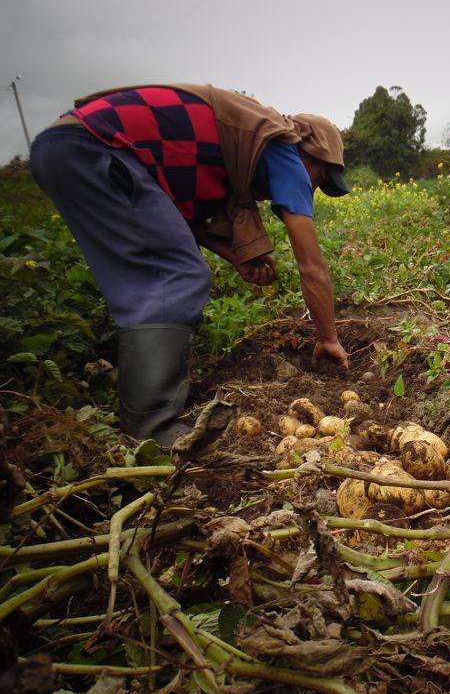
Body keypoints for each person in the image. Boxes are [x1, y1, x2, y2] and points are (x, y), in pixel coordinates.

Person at [30, 84, 350, 446]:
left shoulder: (235, 150)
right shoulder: (282, 144)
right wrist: (327, 338)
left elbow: (182, 224)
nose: (310, 189)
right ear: (305, 153)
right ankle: (151, 431)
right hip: (93, 146)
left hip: (64, 146)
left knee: (174, 270)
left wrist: (236, 258)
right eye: (319, 178)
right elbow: (312, 265)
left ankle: (146, 407)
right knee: (177, 275)